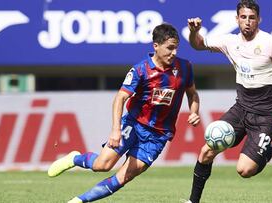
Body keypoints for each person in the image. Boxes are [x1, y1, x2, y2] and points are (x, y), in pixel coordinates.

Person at [47, 23, 201, 203]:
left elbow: (192, 94)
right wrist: (115, 130)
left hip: (157, 137)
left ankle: (79, 201)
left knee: (123, 177)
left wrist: (194, 111)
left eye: (176, 48)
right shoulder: (140, 70)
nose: (174, 53)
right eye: (170, 48)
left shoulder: (185, 67)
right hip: (133, 124)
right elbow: (120, 98)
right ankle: (75, 158)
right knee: (102, 165)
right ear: (156, 46)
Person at [185, 0, 272, 202]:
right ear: (237, 19)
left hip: (267, 112)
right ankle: (193, 201)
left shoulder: (271, 43)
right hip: (242, 107)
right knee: (206, 151)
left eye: (252, 17)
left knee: (244, 170)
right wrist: (194, 32)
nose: (247, 22)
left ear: (259, 19)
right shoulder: (230, 42)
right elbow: (197, 45)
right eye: (243, 17)